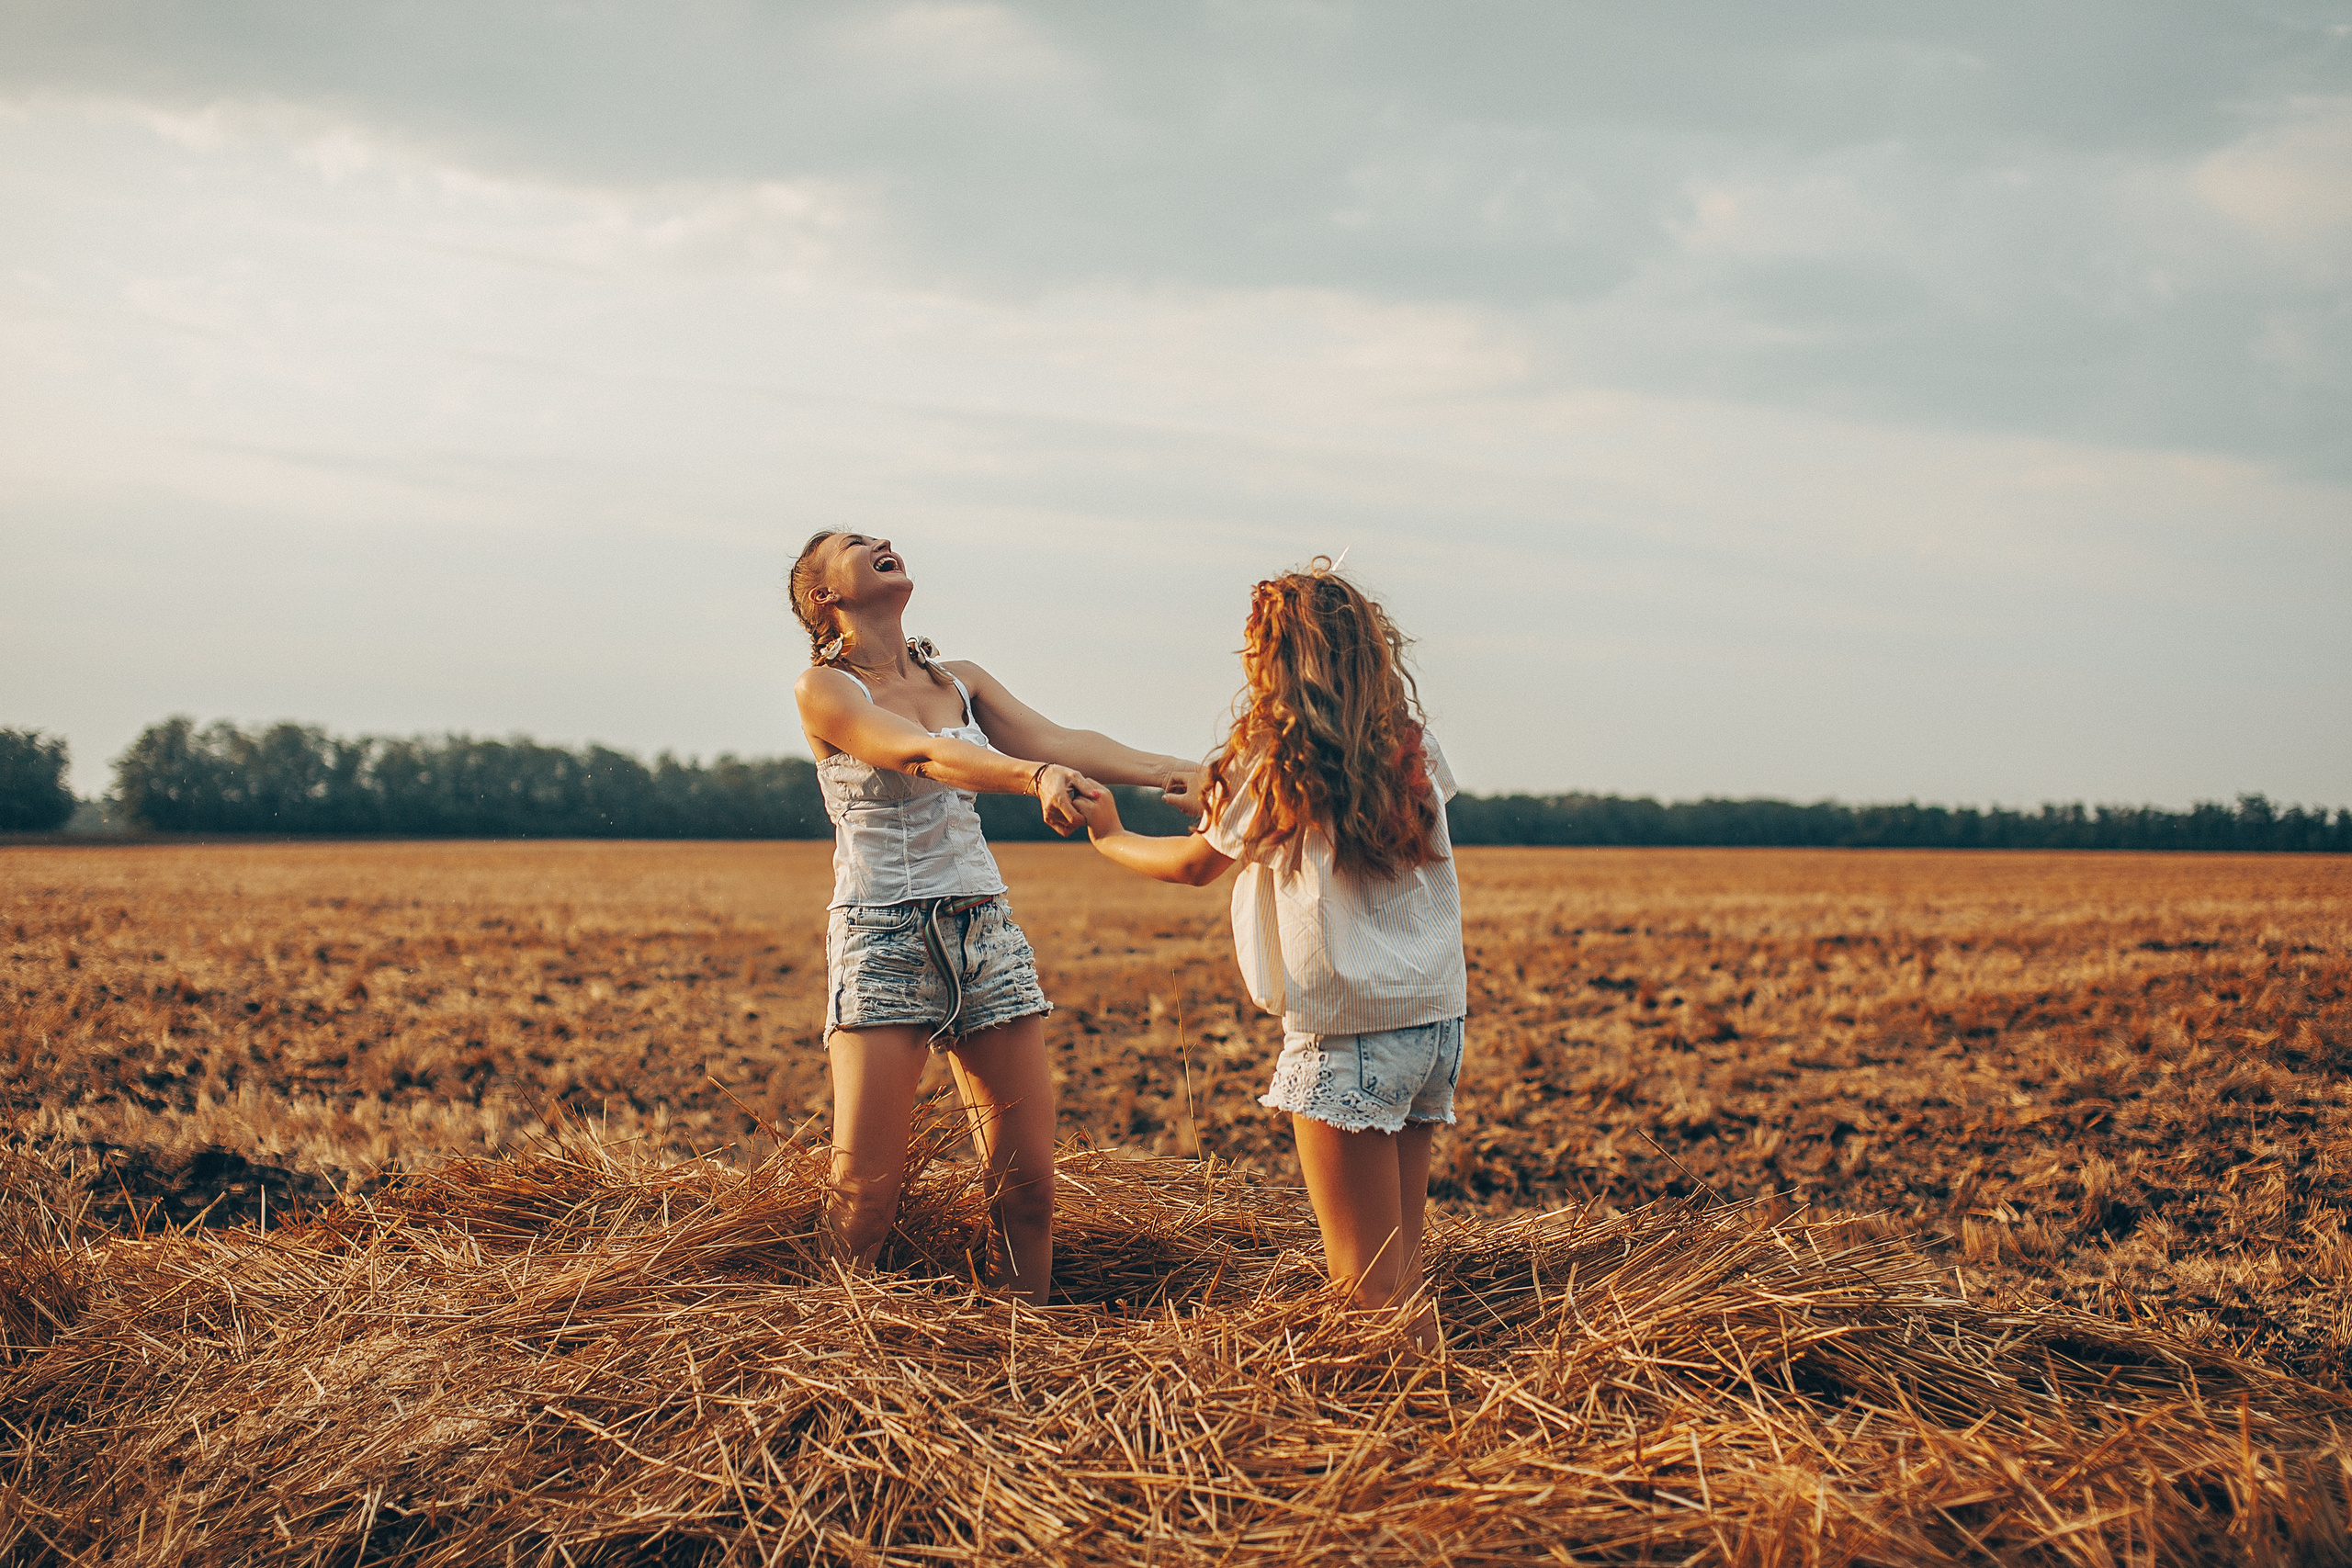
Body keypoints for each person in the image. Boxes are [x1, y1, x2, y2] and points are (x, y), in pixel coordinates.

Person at [789, 529, 1197, 1306]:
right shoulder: (826, 689)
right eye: (854, 542)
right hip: (884, 936)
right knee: (865, 1195)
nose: (882, 539)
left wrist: (1176, 771)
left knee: (1028, 1192)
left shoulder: (961, 680)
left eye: (881, 534)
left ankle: (1024, 1348)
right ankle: (827, 1354)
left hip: (986, 932)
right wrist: (1033, 775)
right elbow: (918, 755)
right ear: (823, 597)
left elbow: (1059, 738)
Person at [1074, 561, 1464, 1346]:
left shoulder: (1272, 757)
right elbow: (1312, 818)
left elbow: (1193, 865)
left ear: (1275, 659)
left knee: (1365, 1293)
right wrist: (1220, 802)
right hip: (1430, 1024)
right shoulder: (1407, 745)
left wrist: (1108, 834)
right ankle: (1439, 1416)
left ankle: (1401, 1442)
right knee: (1404, 1272)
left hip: (1347, 1034)